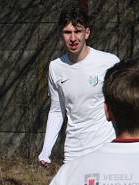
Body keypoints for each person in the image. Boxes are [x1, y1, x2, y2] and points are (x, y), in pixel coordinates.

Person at [38, 6, 119, 167]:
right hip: (74, 151)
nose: (73, 38)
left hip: (105, 147)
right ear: (61, 35)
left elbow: (123, 105)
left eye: (78, 31)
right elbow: (57, 110)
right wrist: (46, 150)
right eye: (67, 32)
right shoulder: (56, 67)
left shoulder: (109, 62)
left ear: (87, 33)